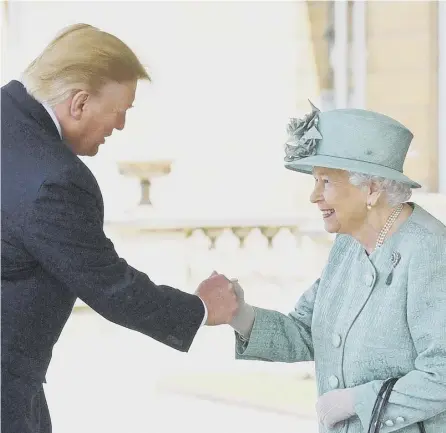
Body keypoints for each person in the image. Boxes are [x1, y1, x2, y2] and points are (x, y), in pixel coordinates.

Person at [1, 23, 238, 433]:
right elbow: (111, 287)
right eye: (121, 109)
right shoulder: (54, 178)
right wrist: (201, 309)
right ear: (78, 103)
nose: (122, 125)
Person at [226, 102, 446, 432]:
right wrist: (239, 314)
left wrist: (357, 402)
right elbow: (307, 329)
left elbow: (441, 372)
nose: (314, 196)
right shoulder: (348, 245)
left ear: (371, 188)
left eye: (326, 181)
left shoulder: (429, 250)